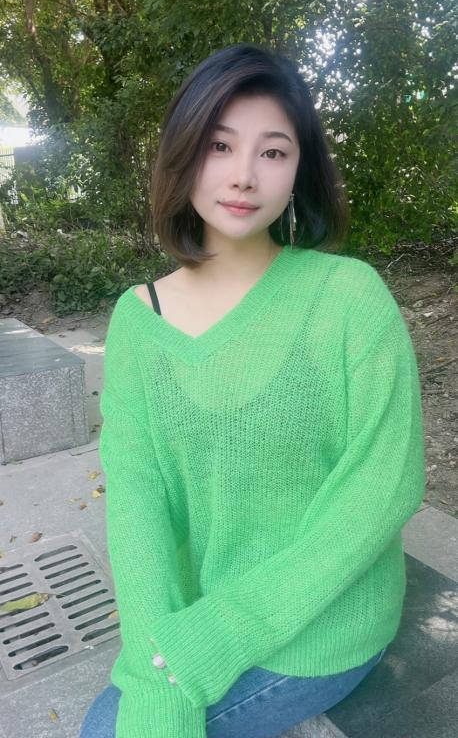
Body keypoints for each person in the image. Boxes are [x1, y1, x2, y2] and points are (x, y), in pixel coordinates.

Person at [80, 42, 425, 738]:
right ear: (184, 154)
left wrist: (221, 633)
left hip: (325, 622)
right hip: (200, 618)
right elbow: (138, 507)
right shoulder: (137, 321)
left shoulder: (348, 297)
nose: (244, 175)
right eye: (219, 145)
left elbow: (383, 488)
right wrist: (154, 660)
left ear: (300, 169)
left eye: (273, 152)